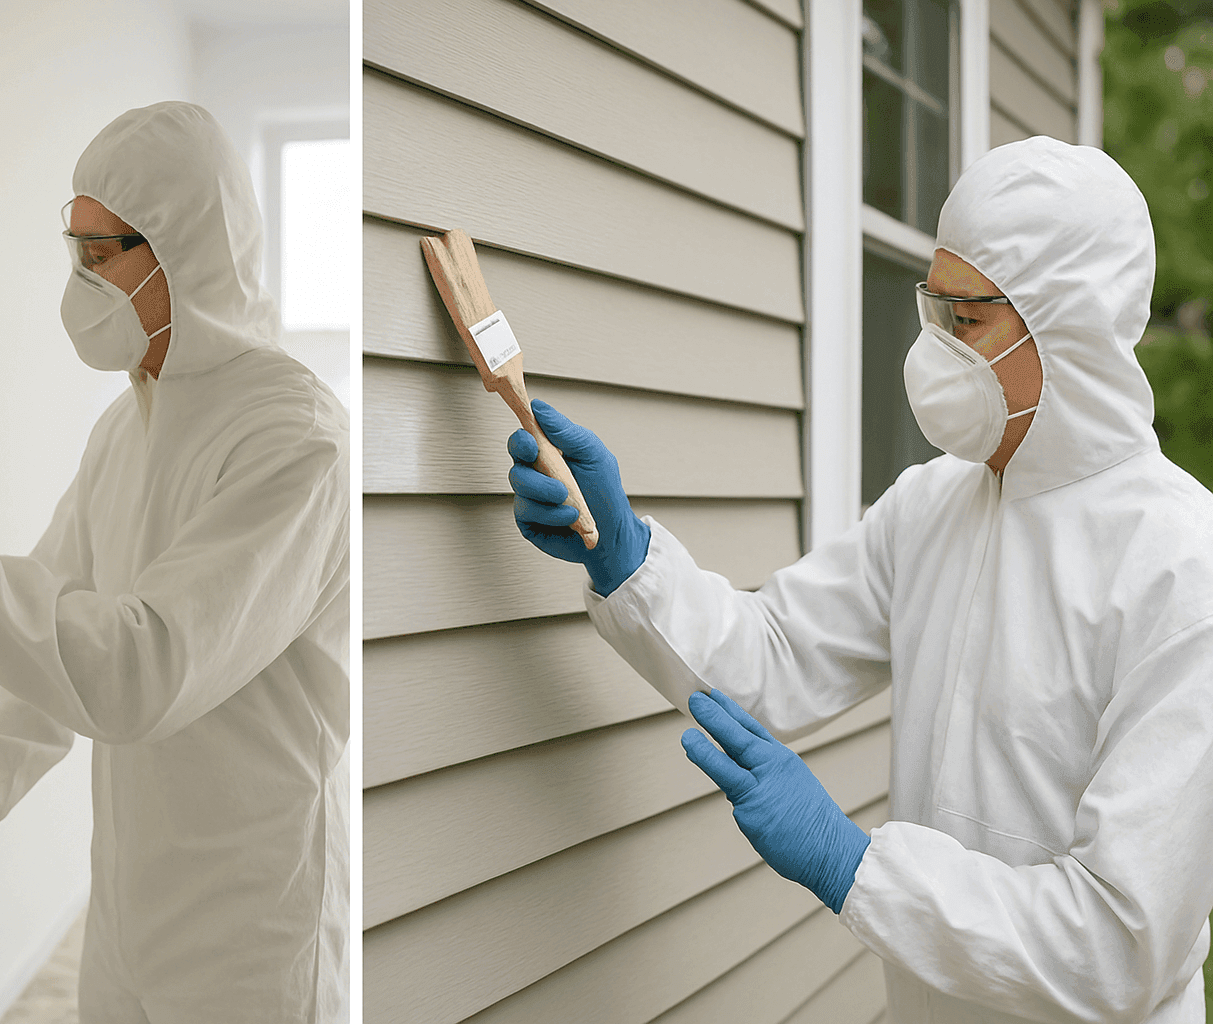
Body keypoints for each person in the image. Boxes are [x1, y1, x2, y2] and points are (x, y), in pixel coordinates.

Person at [507, 135, 1213, 1022]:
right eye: (934, 310)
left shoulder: (1182, 567)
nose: (934, 350)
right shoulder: (932, 509)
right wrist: (628, 559)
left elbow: (1120, 944)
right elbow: (771, 657)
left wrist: (855, 866)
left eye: (967, 321)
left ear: (1064, 325)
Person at [0, 102, 349, 1023]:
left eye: (103, 256)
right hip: (130, 907)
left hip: (253, 933)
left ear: (189, 250)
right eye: (75, 250)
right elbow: (59, 616)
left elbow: (140, 670)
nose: (81, 280)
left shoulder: (293, 442)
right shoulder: (127, 426)